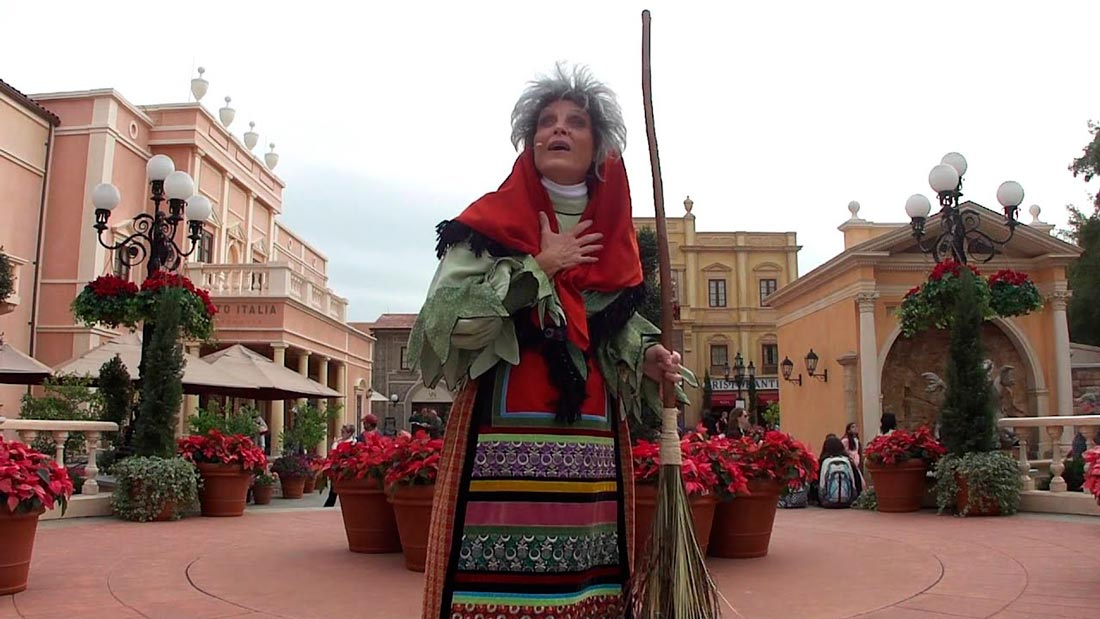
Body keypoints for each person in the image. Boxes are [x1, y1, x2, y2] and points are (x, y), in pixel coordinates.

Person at [408, 64, 688, 619]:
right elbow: (445, 322)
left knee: (590, 577)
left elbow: (607, 324)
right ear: (530, 139)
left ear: (599, 144)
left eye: (576, 121)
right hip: (498, 434)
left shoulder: (614, 233)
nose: (557, 129)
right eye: (546, 120)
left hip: (593, 443)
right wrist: (540, 265)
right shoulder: (492, 221)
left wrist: (646, 355)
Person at [815, 435, 862, 508]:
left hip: (826, 502)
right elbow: (857, 481)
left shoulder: (823, 462)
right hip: (848, 501)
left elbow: (817, 482)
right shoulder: (848, 461)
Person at [323, 424, 357, 508]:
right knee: (333, 490)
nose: (342, 434)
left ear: (349, 433)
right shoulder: (339, 442)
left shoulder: (353, 443)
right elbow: (332, 455)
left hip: (345, 469)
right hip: (336, 469)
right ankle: (329, 505)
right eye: (341, 431)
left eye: (343, 432)